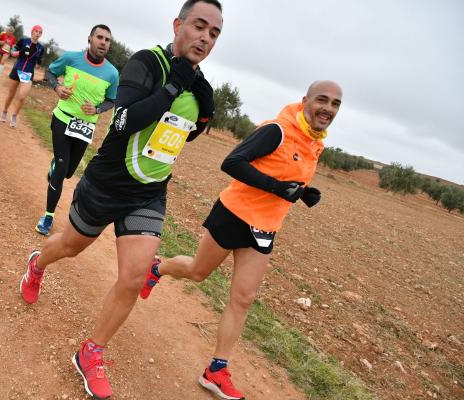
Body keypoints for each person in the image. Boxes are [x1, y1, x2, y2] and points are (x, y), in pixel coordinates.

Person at [19, 1, 222, 399]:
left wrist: (202, 112)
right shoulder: (148, 63)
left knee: (133, 277)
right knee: (70, 247)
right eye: (199, 26)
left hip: (148, 190)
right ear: (178, 24)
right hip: (107, 182)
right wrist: (170, 88)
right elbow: (125, 120)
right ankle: (37, 264)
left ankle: (90, 353)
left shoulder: (199, 86)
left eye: (214, 33)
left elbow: (183, 132)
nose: (206, 37)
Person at [139, 80, 343, 400]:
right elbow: (232, 162)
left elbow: (282, 173)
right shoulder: (277, 129)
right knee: (196, 272)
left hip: (265, 228)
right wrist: (278, 188)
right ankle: (157, 269)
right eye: (322, 100)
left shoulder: (315, 142)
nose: (328, 109)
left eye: (335, 104)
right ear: (305, 100)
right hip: (233, 214)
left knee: (243, 299)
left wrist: (301, 193)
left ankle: (216, 370)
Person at [34, 24, 119, 236]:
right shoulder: (72, 58)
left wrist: (97, 109)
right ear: (90, 39)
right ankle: (48, 216)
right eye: (99, 37)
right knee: (62, 169)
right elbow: (50, 72)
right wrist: (57, 87)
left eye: (107, 40)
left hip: (84, 126)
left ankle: (56, 167)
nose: (103, 42)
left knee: (69, 172)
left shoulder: (112, 73)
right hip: (63, 118)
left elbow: (112, 99)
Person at [0, 26, 45, 128]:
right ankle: (5, 111)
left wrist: (39, 62)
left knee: (22, 97)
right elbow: (12, 53)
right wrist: (21, 52)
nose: (38, 33)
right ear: (32, 32)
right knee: (11, 95)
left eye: (40, 32)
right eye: (36, 31)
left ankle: (14, 116)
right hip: (17, 69)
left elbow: (39, 61)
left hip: (28, 73)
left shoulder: (41, 48)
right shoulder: (23, 41)